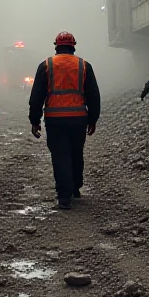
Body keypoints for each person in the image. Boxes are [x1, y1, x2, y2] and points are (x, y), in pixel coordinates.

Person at [29, 31, 100, 210]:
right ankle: (75, 188)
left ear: (56, 46)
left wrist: (34, 120)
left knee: (60, 156)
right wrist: (93, 119)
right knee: (76, 153)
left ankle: (64, 197)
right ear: (73, 46)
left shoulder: (46, 65)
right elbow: (93, 96)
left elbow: (36, 95)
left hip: (55, 120)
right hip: (78, 119)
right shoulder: (84, 66)